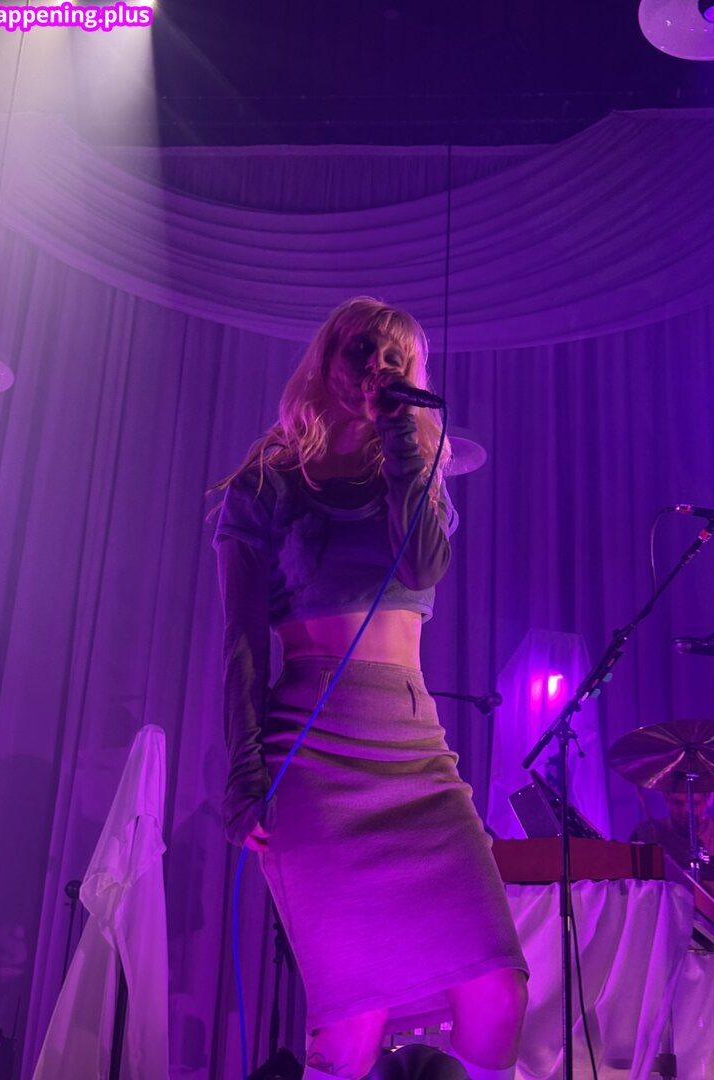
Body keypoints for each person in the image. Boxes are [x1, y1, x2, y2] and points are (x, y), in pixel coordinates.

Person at [213, 297, 528, 1080]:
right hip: (313, 751)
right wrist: (244, 776)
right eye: (361, 351)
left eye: (395, 359)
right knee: (352, 1020)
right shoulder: (267, 482)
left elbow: (420, 564)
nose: (375, 369)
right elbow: (242, 642)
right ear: (328, 359)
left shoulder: (415, 471)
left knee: (498, 990)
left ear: (413, 374)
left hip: (414, 750)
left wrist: (400, 438)